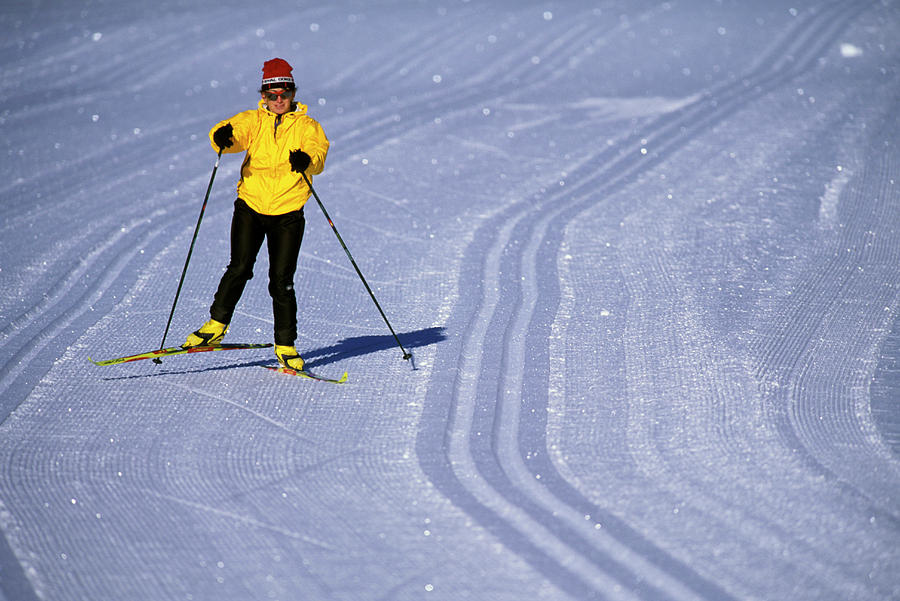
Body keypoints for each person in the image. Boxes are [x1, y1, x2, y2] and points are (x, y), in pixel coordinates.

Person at [184, 57, 329, 371]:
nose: (278, 101)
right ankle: (214, 328)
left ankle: (286, 346)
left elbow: (318, 155)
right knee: (239, 268)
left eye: (284, 94)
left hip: (288, 212)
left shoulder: (307, 126)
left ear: (292, 94)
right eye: (272, 95)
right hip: (250, 206)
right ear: (264, 96)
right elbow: (230, 133)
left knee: (281, 281)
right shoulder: (255, 120)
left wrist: (306, 159)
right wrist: (222, 138)